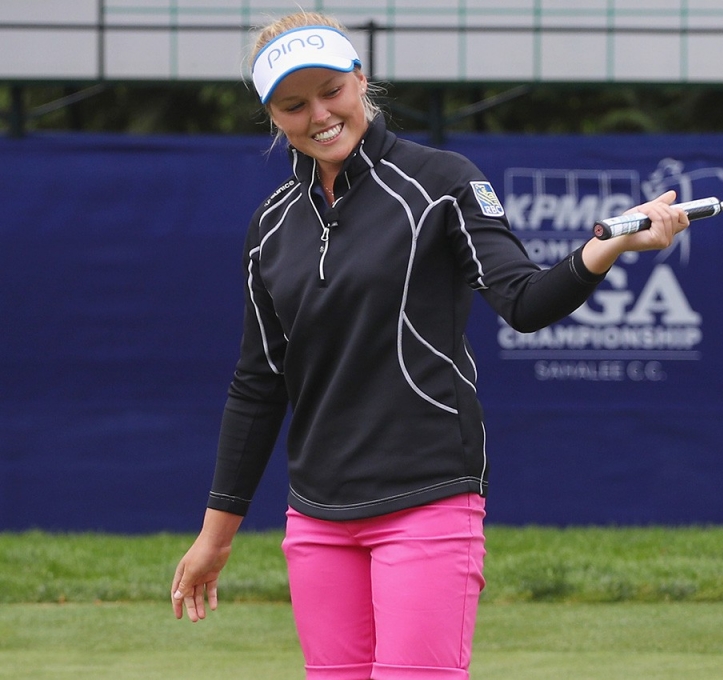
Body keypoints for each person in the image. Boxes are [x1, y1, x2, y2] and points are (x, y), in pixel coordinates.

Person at [170, 10, 689, 680]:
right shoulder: (270, 227)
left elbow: (524, 302)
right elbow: (258, 383)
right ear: (274, 116)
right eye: (294, 105)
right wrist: (217, 538)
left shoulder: (441, 182)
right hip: (318, 516)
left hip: (427, 495)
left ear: (361, 80)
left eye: (332, 90)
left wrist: (605, 246)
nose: (320, 115)